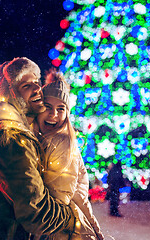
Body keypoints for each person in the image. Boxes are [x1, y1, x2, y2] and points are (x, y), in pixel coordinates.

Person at [0, 57, 78, 239]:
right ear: (11, 94)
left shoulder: (5, 129)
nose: (37, 89)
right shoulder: (10, 140)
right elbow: (37, 214)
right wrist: (72, 217)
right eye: (26, 86)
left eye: (36, 82)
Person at [33, 69, 104, 239]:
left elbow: (58, 199)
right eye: (47, 107)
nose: (53, 114)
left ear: (67, 114)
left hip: (57, 231)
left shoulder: (62, 144)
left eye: (61, 109)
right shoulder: (36, 139)